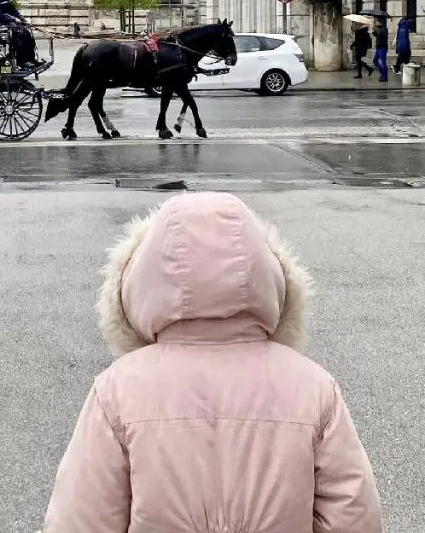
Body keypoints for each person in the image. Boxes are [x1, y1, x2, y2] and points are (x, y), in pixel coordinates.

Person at [45, 192, 382, 533]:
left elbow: (79, 521)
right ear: (267, 273)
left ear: (142, 277)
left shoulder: (115, 393)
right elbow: (355, 518)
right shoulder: (315, 389)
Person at [373, 18, 389, 82]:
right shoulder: (380, 28)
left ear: (380, 22)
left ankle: (385, 77)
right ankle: (382, 74)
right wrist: (374, 31)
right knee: (375, 61)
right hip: (378, 47)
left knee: (383, 63)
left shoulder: (384, 29)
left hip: (382, 48)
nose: (376, 22)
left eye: (377, 21)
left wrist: (377, 30)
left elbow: (383, 38)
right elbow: (377, 36)